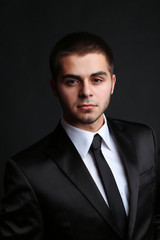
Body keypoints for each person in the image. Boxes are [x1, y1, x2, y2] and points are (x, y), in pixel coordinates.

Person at [0, 32, 160, 240]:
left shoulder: (143, 138)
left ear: (112, 83)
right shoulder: (27, 172)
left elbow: (154, 218)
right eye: (73, 81)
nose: (86, 92)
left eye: (96, 79)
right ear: (54, 87)